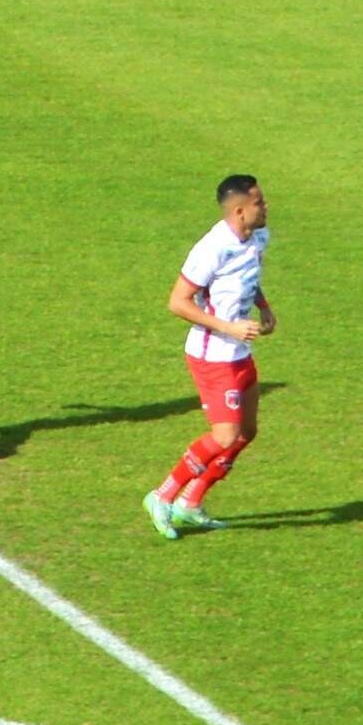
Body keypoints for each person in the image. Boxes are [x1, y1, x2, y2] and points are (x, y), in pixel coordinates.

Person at [148, 174, 269, 536]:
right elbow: (177, 302)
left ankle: (191, 501)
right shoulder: (211, 248)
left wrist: (264, 307)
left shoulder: (259, 236)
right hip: (212, 354)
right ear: (239, 210)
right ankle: (163, 496)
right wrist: (230, 327)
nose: (266, 208)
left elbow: (248, 277)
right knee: (225, 435)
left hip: (239, 352)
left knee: (247, 431)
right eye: (260, 203)